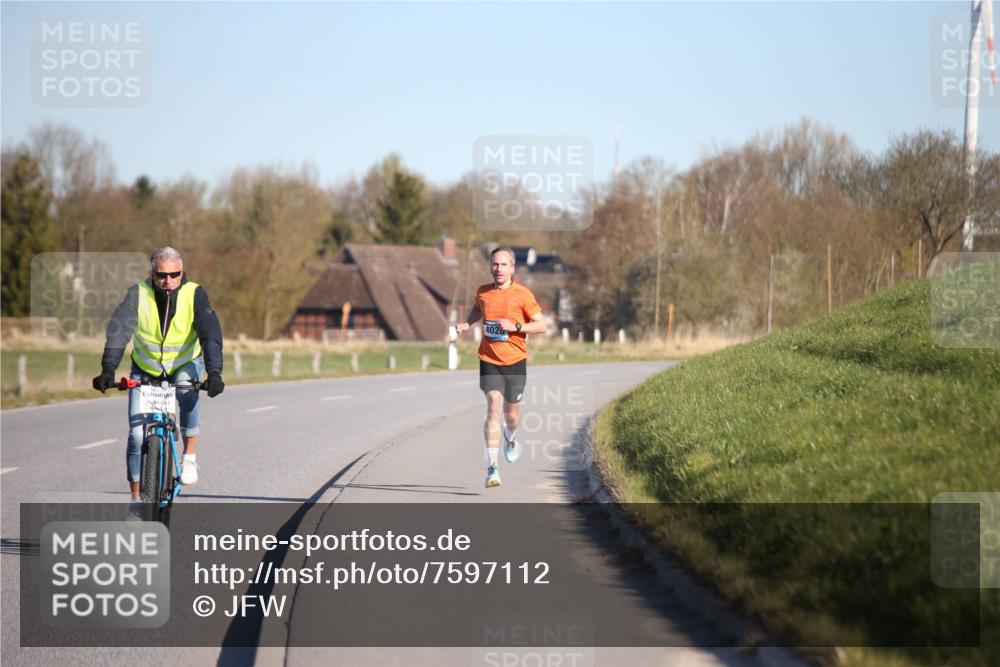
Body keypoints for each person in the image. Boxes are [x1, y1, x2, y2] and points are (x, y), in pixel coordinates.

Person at [92, 247, 224, 504]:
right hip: (145, 368)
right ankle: (135, 499)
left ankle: (189, 457)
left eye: (174, 274)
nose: (168, 280)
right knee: (138, 435)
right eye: (162, 275)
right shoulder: (137, 294)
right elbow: (119, 332)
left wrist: (215, 371)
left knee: (187, 389)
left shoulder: (194, 293)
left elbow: (210, 334)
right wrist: (108, 369)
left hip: (185, 363)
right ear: (152, 273)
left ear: (181, 272)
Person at [456, 247, 545, 488]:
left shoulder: (523, 295)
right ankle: (493, 468)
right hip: (489, 360)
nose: (498, 269)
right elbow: (478, 308)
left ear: (512, 269)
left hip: (515, 361)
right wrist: (467, 323)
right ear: (491, 267)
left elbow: (541, 325)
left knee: (512, 415)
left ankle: (511, 438)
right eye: (495, 264)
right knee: (493, 407)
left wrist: (515, 326)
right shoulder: (483, 292)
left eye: (504, 265)